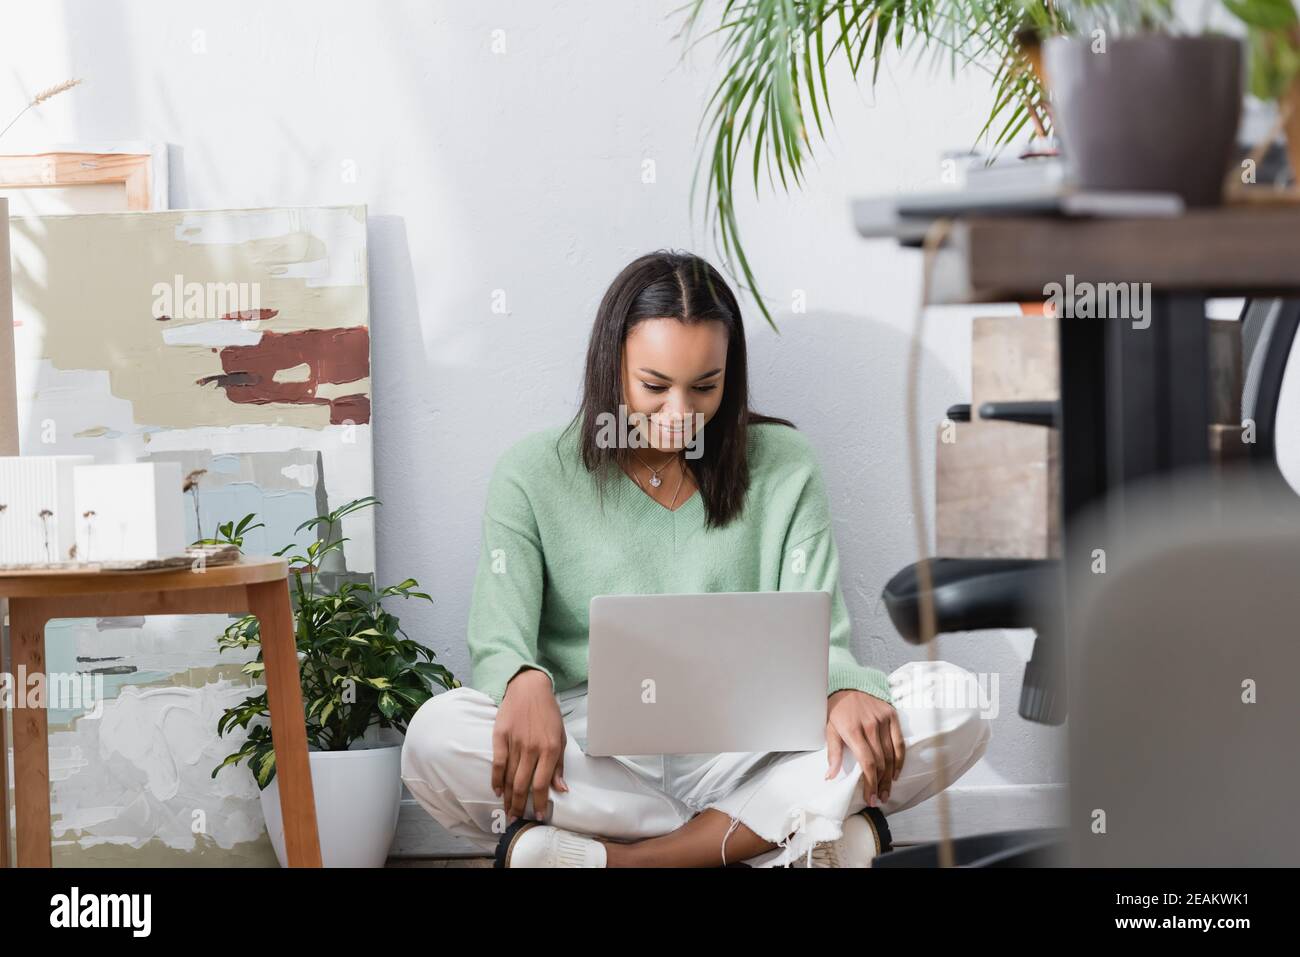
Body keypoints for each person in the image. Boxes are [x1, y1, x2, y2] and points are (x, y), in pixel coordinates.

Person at [401, 250, 992, 867]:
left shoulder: (785, 463)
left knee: (954, 700)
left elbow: (822, 630)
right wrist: (523, 679)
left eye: (705, 387)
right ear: (611, 369)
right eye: (654, 387)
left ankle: (629, 860)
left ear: (729, 377)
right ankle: (776, 837)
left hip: (753, 748)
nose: (680, 415)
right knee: (436, 736)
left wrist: (842, 687)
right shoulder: (531, 473)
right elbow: (500, 638)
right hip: (597, 757)